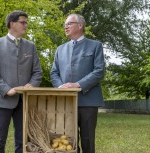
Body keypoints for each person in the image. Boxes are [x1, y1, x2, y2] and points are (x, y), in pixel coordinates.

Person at [0, 10, 43, 153]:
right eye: (23, 22)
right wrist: (6, 89)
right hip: (2, 100)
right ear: (12, 23)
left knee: (23, 141)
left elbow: (37, 72)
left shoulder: (31, 46)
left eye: (26, 22)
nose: (26, 25)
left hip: (24, 101)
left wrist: (31, 85)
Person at [50, 14, 105, 153]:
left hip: (88, 101)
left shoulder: (95, 46)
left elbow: (99, 71)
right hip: (66, 102)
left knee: (87, 139)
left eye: (69, 23)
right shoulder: (60, 49)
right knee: (68, 140)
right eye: (65, 25)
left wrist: (78, 84)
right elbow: (54, 73)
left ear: (80, 25)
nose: (65, 26)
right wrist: (61, 87)